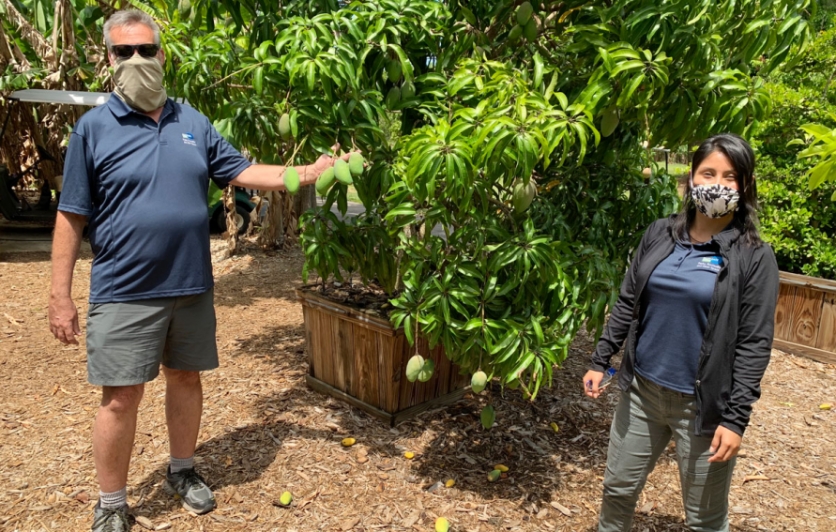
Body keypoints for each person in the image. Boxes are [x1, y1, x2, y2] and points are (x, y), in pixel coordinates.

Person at [47, 10, 355, 532]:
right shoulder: (93, 129)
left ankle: (182, 470)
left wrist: (310, 172)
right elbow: (71, 214)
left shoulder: (192, 121)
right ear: (109, 59)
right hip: (125, 289)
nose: (138, 60)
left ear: (163, 54)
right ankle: (112, 502)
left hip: (190, 285)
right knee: (121, 398)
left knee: (186, 378)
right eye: (125, 52)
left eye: (147, 49)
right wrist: (61, 295)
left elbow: (241, 169)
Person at [583, 133, 779, 532]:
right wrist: (601, 359)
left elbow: (754, 343)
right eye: (709, 172)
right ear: (691, 177)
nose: (718, 184)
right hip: (642, 393)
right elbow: (628, 300)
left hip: (704, 408)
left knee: (704, 518)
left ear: (745, 186)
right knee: (617, 490)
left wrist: (735, 419)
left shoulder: (754, 255)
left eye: (730, 177)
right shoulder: (660, 233)